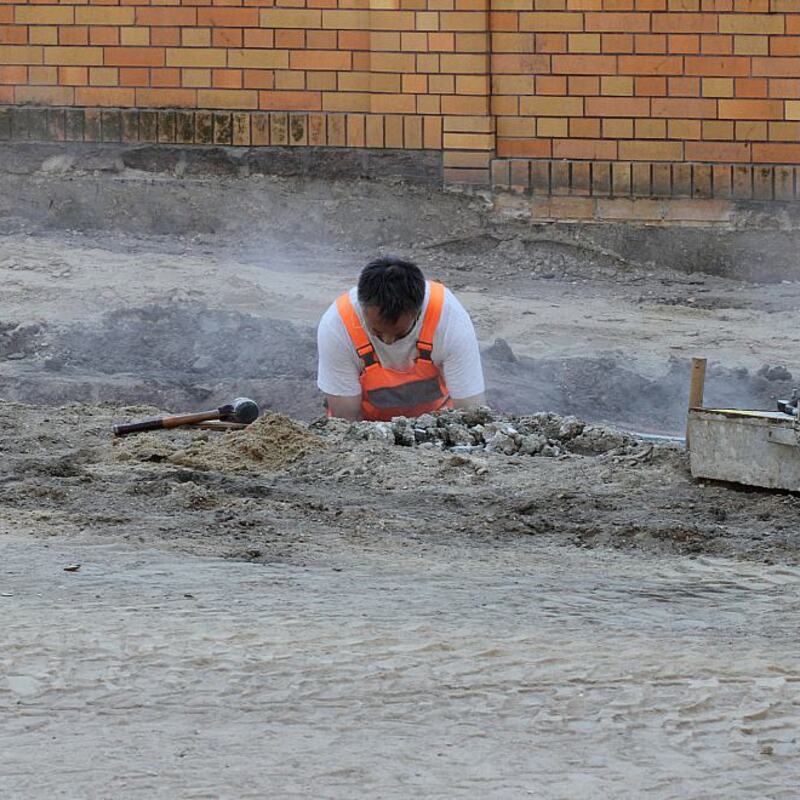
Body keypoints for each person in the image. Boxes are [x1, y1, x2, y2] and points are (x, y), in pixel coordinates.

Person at [317, 256, 486, 421]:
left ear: (418, 311)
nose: (388, 340)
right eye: (376, 331)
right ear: (362, 307)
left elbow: (470, 411)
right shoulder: (339, 325)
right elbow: (345, 420)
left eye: (400, 334)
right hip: (368, 432)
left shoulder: (448, 317)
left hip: (437, 427)